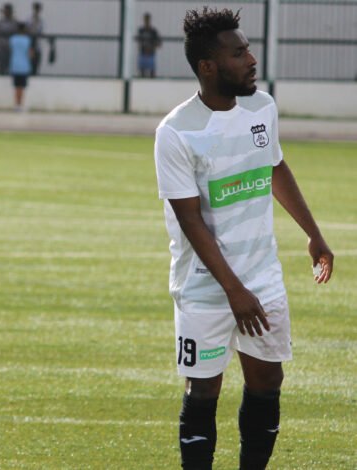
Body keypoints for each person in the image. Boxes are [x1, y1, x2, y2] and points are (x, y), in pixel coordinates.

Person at [154, 8, 334, 470]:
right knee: (203, 390)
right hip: (203, 286)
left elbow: (274, 166)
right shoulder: (176, 132)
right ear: (208, 66)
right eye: (238, 54)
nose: (252, 60)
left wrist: (313, 234)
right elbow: (191, 221)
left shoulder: (262, 107)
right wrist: (234, 291)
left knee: (267, 382)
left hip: (262, 277)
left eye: (248, 49)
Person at [9, 21, 32, 112]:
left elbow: (10, 50)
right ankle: (20, 104)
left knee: (16, 87)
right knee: (21, 87)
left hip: (14, 65)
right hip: (24, 66)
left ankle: (16, 105)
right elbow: (30, 53)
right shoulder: (27, 40)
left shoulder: (13, 39)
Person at [0, 3, 16, 75]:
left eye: (8, 11)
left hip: (11, 48)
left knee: (10, 66)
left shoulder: (14, 23)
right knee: (1, 65)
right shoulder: (0, 22)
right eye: (5, 11)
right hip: (2, 47)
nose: (7, 13)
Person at [137, 12, 161, 78]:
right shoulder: (141, 30)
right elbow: (139, 41)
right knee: (142, 71)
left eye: (147, 19)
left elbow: (158, 43)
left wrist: (152, 47)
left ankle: (152, 82)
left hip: (151, 54)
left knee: (152, 72)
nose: (146, 21)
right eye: (145, 19)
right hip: (143, 53)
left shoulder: (153, 31)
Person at [26, 2, 43, 75]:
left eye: (38, 9)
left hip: (37, 46)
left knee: (36, 64)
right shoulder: (29, 19)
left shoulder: (41, 21)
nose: (37, 11)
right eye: (36, 9)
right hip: (30, 46)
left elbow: (41, 32)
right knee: (30, 63)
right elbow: (27, 30)